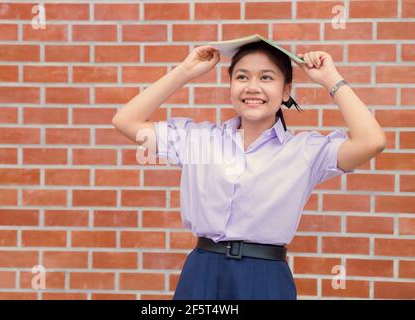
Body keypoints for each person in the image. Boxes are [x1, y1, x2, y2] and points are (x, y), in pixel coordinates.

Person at [112, 40, 387, 300]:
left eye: (266, 77)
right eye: (242, 77)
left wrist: (331, 80)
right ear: (231, 85)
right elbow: (125, 120)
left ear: (286, 91)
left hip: (265, 275)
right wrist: (185, 71)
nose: (252, 87)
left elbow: (372, 142)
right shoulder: (197, 140)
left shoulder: (306, 150)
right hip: (202, 271)